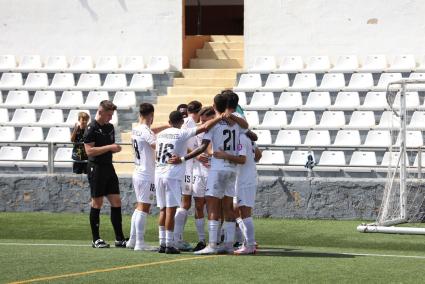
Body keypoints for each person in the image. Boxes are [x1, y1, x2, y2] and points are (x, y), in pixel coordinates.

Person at [169, 93, 249, 255]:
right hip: (232, 168)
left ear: (214, 107)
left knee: (212, 205)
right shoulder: (235, 124)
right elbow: (247, 128)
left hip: (218, 168)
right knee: (227, 206)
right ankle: (227, 243)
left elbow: (202, 147)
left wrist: (183, 158)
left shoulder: (214, 126)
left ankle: (212, 244)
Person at [155, 110, 223, 254]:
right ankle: (169, 244)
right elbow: (204, 127)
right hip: (171, 174)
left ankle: (162, 242)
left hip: (158, 172)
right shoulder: (181, 133)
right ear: (181, 122)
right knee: (171, 209)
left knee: (162, 209)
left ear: (169, 121)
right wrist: (220, 118)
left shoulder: (161, 134)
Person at [84, 100, 126, 249]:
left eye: (112, 115)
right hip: (96, 167)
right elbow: (89, 151)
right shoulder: (91, 128)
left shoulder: (110, 127)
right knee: (97, 203)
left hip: (109, 167)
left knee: (116, 201)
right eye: (108, 115)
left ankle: (119, 238)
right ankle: (96, 239)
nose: (110, 118)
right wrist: (109, 147)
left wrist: (114, 149)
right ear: (100, 112)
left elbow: (109, 147)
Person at [127, 103, 169, 251]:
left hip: (138, 172)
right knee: (144, 208)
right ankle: (140, 242)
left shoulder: (136, 129)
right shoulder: (145, 131)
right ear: (151, 115)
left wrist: (166, 126)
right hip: (146, 174)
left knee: (139, 207)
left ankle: (132, 240)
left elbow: (151, 132)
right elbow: (157, 146)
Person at [215, 132, 262, 255]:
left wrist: (224, 155)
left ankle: (250, 245)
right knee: (236, 210)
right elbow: (258, 155)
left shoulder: (240, 138)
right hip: (244, 178)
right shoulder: (246, 137)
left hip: (244, 180)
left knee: (244, 212)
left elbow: (242, 159)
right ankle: (247, 241)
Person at [174, 100, 202, 251]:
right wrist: (197, 155)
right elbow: (184, 145)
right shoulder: (189, 124)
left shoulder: (187, 122)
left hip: (187, 167)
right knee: (184, 203)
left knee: (186, 203)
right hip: (186, 168)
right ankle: (176, 238)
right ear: (198, 111)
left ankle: (177, 238)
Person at [191, 106, 216, 252]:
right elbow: (189, 147)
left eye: (206, 121)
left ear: (213, 118)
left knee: (215, 206)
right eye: (201, 121)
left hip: (214, 172)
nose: (204, 124)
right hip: (198, 172)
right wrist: (195, 155)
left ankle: (217, 238)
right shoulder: (197, 130)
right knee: (199, 205)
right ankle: (201, 240)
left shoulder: (218, 129)